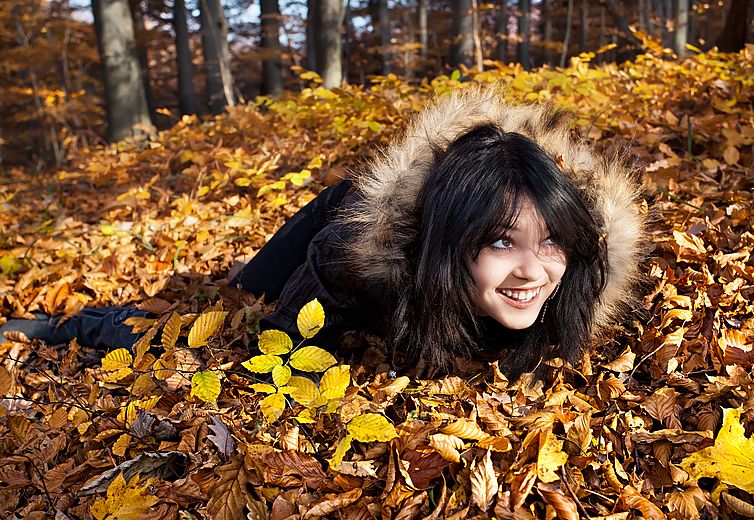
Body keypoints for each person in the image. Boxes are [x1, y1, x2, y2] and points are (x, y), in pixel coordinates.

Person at [0, 85, 647, 382]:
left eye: (549, 240)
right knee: (237, 306)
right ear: (450, 247)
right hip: (337, 214)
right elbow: (276, 349)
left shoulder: (578, 272)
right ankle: (67, 326)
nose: (535, 270)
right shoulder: (358, 261)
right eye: (502, 241)